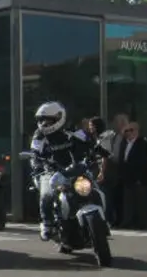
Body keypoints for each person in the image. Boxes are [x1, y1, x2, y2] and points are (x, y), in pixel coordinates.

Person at [28, 101, 101, 241]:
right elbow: (34, 153)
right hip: (50, 171)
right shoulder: (39, 136)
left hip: (74, 168)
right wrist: (37, 164)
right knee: (46, 194)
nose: (44, 123)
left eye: (48, 120)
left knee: (94, 185)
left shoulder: (72, 130)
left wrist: (95, 151)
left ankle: (102, 212)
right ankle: (47, 224)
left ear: (59, 118)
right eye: (42, 120)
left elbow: (88, 143)